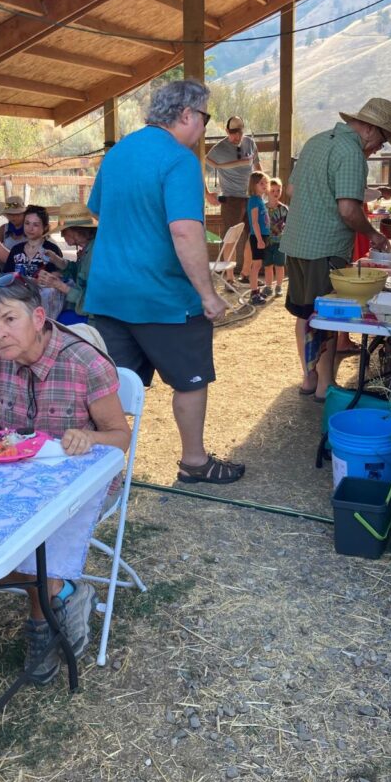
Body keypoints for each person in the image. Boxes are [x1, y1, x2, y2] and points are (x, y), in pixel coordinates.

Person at [0, 274, 130, 684]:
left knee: (34, 542)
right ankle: (65, 591)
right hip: (19, 475)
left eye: (9, 320)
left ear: (38, 317)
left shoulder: (85, 363)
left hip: (85, 483)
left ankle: (41, 622)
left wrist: (88, 436)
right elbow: (5, 425)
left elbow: (121, 437)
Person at [85, 78, 243, 485]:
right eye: (205, 118)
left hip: (107, 294)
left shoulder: (118, 153)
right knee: (190, 380)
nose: (204, 128)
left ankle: (101, 472)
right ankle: (194, 461)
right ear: (186, 114)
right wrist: (208, 294)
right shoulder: (179, 159)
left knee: (112, 388)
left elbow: (99, 214)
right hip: (164, 297)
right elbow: (186, 231)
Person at [280, 97, 391, 400]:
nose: (377, 150)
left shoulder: (316, 141)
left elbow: (290, 191)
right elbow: (348, 210)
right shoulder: (352, 152)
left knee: (304, 312)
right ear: (371, 130)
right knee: (327, 316)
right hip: (326, 246)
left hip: (295, 242)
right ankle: (324, 386)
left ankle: (309, 379)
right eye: (382, 142)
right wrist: (372, 234)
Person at [205, 116, 261, 285]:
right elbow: (201, 171)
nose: (236, 136)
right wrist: (207, 193)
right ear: (226, 131)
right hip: (231, 199)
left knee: (255, 236)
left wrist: (262, 187)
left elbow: (257, 167)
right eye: (232, 133)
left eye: (239, 132)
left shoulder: (250, 144)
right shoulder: (218, 150)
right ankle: (230, 278)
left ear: (243, 130)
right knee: (231, 237)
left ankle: (246, 273)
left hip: (251, 197)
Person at [35, 201, 97, 324]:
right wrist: (56, 259)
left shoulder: (94, 254)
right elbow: (78, 272)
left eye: (63, 231)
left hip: (94, 319)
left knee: (50, 323)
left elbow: (91, 302)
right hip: (86, 312)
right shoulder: (87, 249)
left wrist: (59, 285)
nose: (62, 235)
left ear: (75, 231)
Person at [3, 204, 62, 278]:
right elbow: (6, 276)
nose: (30, 228)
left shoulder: (52, 250)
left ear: (45, 227)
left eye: (36, 225)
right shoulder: (16, 250)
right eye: (27, 223)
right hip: (17, 289)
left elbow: (57, 279)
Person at [246, 171, 271, 306]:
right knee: (256, 266)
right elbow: (254, 222)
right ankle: (254, 293)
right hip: (257, 237)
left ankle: (256, 290)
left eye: (266, 183)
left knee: (258, 264)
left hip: (263, 236)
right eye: (261, 183)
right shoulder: (254, 200)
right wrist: (260, 239)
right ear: (254, 185)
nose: (265, 185)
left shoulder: (261, 199)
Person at [263, 177, 288, 297]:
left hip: (280, 242)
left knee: (279, 265)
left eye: (278, 190)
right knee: (268, 266)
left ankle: (279, 286)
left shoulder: (284, 209)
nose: (276, 193)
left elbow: (288, 226)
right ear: (267, 191)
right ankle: (268, 287)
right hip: (266, 242)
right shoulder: (263, 208)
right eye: (272, 191)